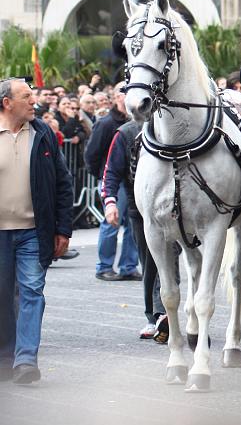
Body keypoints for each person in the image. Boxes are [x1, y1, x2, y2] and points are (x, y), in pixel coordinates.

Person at [0, 77, 74, 384]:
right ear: (7, 103)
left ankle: (26, 358)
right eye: (27, 96)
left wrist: (63, 229)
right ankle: (7, 354)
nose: (35, 101)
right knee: (3, 295)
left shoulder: (42, 133)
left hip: (34, 231)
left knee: (32, 291)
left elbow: (63, 183)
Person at [101, 120, 167, 339]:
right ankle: (156, 315)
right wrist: (110, 202)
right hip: (139, 209)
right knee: (150, 262)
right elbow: (111, 171)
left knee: (168, 261)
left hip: (175, 208)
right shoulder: (126, 132)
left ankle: (164, 314)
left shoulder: (175, 125)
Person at [84, 86, 140, 282]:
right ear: (117, 97)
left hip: (130, 181)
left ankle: (128, 266)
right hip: (113, 180)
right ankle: (104, 266)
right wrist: (101, 176)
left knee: (133, 224)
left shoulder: (137, 122)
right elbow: (91, 154)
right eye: (124, 93)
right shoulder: (107, 123)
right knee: (111, 223)